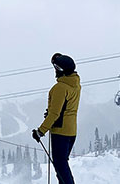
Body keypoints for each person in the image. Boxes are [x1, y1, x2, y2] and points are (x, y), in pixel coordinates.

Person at [32, 53, 81, 184]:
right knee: (62, 164)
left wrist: (40, 131)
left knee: (60, 166)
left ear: (60, 70)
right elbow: (65, 108)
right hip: (71, 131)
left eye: (55, 68)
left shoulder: (60, 88)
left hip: (60, 132)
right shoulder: (75, 85)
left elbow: (54, 114)